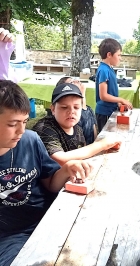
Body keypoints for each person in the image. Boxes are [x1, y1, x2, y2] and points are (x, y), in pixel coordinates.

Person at [0, 80, 93, 266]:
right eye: (13, 124)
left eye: (25, 122)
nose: (21, 131)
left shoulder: (30, 140)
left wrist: (66, 169)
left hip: (50, 218)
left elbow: (50, 182)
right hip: (11, 236)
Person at [33, 83, 121, 166]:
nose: (71, 111)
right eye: (64, 107)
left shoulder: (77, 127)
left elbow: (84, 154)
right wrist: (101, 145)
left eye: (76, 107)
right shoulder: (44, 128)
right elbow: (60, 160)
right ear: (53, 109)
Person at [95, 38, 133, 132]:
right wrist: (121, 99)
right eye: (118, 55)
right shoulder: (104, 70)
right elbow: (103, 96)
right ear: (109, 55)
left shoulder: (109, 69)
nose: (120, 58)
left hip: (110, 110)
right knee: (105, 141)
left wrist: (118, 103)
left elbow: (110, 92)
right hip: (104, 113)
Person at [56, 77, 97, 145]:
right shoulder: (72, 115)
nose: (77, 81)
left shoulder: (89, 109)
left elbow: (94, 132)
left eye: (76, 107)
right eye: (72, 82)